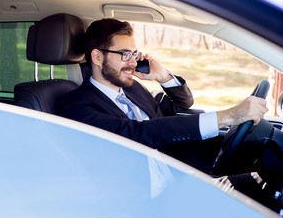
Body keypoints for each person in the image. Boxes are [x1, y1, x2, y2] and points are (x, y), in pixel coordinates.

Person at [58, 18, 277, 207]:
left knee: (268, 185)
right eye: (125, 54)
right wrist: (228, 116)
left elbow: (182, 104)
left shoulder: (132, 88)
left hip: (183, 178)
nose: (133, 62)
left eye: (135, 54)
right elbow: (136, 133)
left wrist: (163, 76)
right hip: (148, 201)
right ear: (97, 57)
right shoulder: (76, 105)